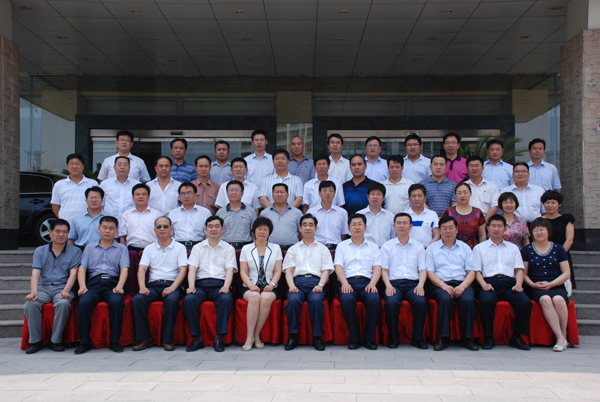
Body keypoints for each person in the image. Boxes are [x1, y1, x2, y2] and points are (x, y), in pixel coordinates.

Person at [474, 215, 532, 351]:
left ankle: (516, 337)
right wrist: (483, 284)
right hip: (489, 282)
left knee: (525, 302)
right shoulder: (479, 248)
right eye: (493, 226)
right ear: (488, 228)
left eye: (499, 226)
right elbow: (476, 271)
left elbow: (519, 269)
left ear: (505, 229)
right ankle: (489, 337)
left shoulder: (513, 248)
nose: (496, 229)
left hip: (509, 283)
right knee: (486, 302)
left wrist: (519, 284)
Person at [23, 219, 81, 354]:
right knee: (30, 304)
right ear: (50, 232)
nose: (61, 234)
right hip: (43, 287)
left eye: (64, 232)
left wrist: (66, 291)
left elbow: (73, 274)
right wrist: (33, 292)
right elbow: (35, 273)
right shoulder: (40, 251)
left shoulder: (75, 251)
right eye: (57, 231)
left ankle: (56, 340)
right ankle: (35, 341)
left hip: (63, 287)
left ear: (68, 234)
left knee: (63, 303)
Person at [74, 216, 130, 354]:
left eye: (111, 228)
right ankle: (85, 342)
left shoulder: (122, 248)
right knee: (83, 303)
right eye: (104, 227)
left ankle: (114, 341)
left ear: (116, 231)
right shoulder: (89, 248)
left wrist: (120, 286)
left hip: (112, 283)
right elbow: (82, 269)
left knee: (117, 302)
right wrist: (82, 286)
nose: (107, 231)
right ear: (99, 229)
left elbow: (124, 269)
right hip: (93, 283)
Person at [132, 217, 188, 352]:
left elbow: (183, 270)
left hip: (172, 284)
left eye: (165, 226)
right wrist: (142, 287)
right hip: (153, 285)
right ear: (155, 230)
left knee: (172, 300)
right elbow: (142, 269)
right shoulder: (149, 248)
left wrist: (172, 287)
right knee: (137, 300)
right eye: (159, 227)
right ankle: (145, 339)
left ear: (171, 229)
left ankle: (167, 339)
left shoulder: (180, 247)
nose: (162, 229)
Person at [185, 216, 237, 353]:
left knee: (226, 299)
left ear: (222, 229)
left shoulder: (228, 248)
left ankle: (219, 338)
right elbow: (192, 269)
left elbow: (230, 270)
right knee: (189, 299)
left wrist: (226, 287)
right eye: (210, 226)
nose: (214, 229)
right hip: (200, 285)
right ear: (205, 229)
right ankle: (197, 339)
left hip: (219, 284)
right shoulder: (197, 247)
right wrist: (191, 286)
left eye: (217, 226)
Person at [426, 216, 479, 351]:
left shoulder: (465, 247)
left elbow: (471, 272)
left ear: (457, 230)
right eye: (444, 228)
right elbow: (430, 272)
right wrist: (444, 286)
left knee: (468, 300)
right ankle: (443, 338)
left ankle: (468, 338)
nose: (448, 231)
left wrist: (462, 286)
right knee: (445, 300)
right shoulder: (432, 248)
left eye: (451, 228)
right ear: (440, 231)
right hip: (439, 283)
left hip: (462, 282)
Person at [283, 214, 334, 351]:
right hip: (297, 283)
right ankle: (293, 337)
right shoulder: (293, 249)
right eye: (304, 225)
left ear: (316, 228)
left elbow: (326, 270)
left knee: (316, 301)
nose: (307, 227)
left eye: (311, 225)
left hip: (316, 282)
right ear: (300, 228)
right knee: (292, 301)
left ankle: (317, 338)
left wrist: (320, 285)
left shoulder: (322, 249)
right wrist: (291, 286)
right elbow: (288, 270)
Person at [522, 218, 571, 352]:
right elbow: (524, 274)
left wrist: (552, 284)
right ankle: (560, 337)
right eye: (535, 230)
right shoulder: (526, 250)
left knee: (559, 299)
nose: (539, 232)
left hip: (556, 284)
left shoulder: (559, 249)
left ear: (549, 231)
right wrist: (533, 285)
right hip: (536, 286)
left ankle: (564, 335)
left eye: (542, 229)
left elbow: (566, 273)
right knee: (545, 299)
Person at [380, 213, 428, 349]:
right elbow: (384, 270)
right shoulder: (387, 246)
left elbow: (422, 270)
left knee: (421, 302)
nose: (402, 226)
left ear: (411, 226)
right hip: (394, 283)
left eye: (405, 223)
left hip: (413, 283)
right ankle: (393, 337)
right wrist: (388, 285)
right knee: (391, 303)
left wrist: (420, 285)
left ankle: (417, 338)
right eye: (399, 223)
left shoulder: (418, 247)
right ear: (394, 226)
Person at [333, 214, 382, 350]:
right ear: (349, 228)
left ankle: (369, 339)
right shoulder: (342, 246)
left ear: (365, 227)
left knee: (374, 300)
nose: (357, 227)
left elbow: (377, 267)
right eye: (354, 224)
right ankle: (354, 339)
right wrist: (344, 283)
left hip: (367, 282)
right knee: (347, 300)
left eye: (360, 224)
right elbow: (338, 266)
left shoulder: (373, 246)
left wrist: (372, 283)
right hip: (348, 281)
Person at [239, 217, 283, 351]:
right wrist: (251, 286)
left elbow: (278, 270)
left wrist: (272, 284)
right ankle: (249, 337)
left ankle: (256, 334)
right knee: (254, 296)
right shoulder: (246, 248)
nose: (262, 232)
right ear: (254, 231)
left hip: (270, 286)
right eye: (259, 229)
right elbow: (243, 272)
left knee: (265, 297)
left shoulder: (276, 248)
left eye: (265, 229)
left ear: (269, 232)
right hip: (250, 286)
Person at [542, 190, 576, 288]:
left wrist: (558, 255)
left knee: (564, 285)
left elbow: (569, 240)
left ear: (559, 204)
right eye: (547, 202)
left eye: (553, 202)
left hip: (562, 255)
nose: (550, 205)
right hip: (543, 255)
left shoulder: (566, 220)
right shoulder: (539, 221)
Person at [51, 154, 98, 224]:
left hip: (87, 223)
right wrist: (62, 220)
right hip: (66, 224)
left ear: (83, 166)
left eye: (77, 164)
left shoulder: (92, 183)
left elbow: (98, 204)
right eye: (71, 164)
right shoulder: (59, 184)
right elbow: (55, 206)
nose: (74, 166)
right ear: (67, 166)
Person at [167, 182, 212, 251]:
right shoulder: (172, 214)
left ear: (195, 195)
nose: (186, 196)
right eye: (183, 193)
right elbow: (169, 234)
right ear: (179, 196)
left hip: (199, 247)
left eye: (189, 193)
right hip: (177, 248)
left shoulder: (205, 213)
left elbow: (208, 234)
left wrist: (204, 248)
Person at [119, 183, 162, 253]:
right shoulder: (126, 214)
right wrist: (124, 253)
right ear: (133, 198)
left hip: (152, 251)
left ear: (148, 197)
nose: (140, 196)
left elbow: (161, 234)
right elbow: (122, 236)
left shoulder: (157, 214)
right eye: (137, 194)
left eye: (144, 194)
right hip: (132, 251)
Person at [307, 181, 350, 249]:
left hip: (336, 248)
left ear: (334, 194)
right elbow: (308, 232)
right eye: (324, 190)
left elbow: (344, 234)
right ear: (319, 193)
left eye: (331, 190)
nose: (327, 193)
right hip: (316, 248)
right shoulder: (311, 212)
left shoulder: (342, 212)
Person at [442, 183, 486, 249]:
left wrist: (481, 250)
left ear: (470, 194)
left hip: (473, 249)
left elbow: (482, 234)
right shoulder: (449, 211)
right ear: (455, 195)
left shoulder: (478, 212)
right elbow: (443, 231)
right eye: (459, 193)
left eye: (465, 192)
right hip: (453, 249)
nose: (462, 196)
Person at [259, 184, 302, 250]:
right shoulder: (265, 213)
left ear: (287, 195)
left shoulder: (297, 213)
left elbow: (302, 232)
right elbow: (260, 232)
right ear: (272, 195)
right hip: (271, 250)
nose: (279, 195)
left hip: (292, 250)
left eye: (282, 192)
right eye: (277, 192)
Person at [216, 180, 256, 249]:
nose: (233, 193)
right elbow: (217, 232)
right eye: (231, 190)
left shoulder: (251, 211)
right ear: (227, 193)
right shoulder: (220, 212)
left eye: (237, 190)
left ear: (242, 193)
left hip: (245, 248)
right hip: (225, 248)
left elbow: (254, 232)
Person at [100, 156, 140, 223]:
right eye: (119, 165)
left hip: (131, 222)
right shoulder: (105, 184)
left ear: (129, 168)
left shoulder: (137, 185)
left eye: (125, 165)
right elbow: (101, 204)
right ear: (114, 167)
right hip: (110, 223)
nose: (122, 167)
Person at [357, 183, 395, 247]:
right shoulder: (359, 215)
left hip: (385, 250)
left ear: (383, 198)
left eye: (379, 194)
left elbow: (393, 237)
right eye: (372, 194)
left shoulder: (390, 216)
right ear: (368, 196)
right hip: (365, 249)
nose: (375, 197)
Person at [404, 184, 440, 248]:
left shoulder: (432, 214)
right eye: (414, 196)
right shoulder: (403, 215)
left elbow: (437, 235)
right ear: (409, 198)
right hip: (408, 249)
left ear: (425, 198)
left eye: (420, 196)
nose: (417, 198)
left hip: (428, 249)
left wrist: (429, 248)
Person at [464, 155, 500, 220]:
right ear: (467, 169)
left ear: (483, 168)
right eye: (471, 166)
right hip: (467, 220)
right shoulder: (463, 186)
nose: (474, 168)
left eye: (477, 165)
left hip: (487, 220)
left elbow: (495, 205)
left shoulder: (491, 186)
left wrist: (485, 221)